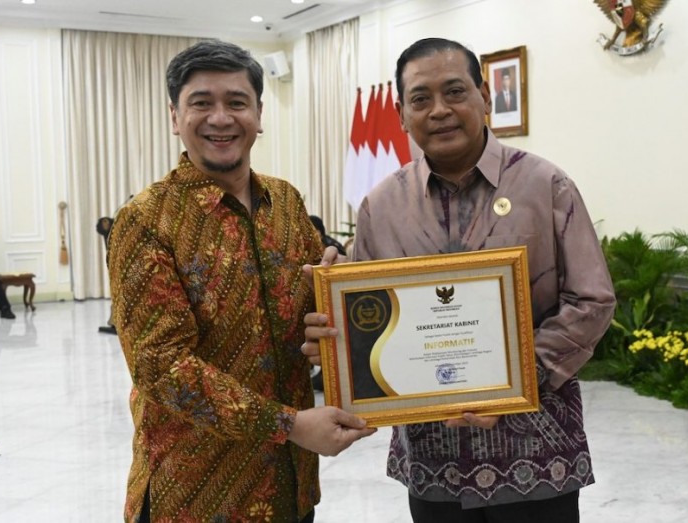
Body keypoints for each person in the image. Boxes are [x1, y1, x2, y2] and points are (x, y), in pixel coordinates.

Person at [303, 38, 615, 522]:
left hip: (537, 454)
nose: (440, 110)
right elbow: (366, 321)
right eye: (421, 99)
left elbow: (591, 299)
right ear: (401, 112)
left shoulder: (545, 185)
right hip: (433, 462)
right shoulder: (380, 207)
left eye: (454, 92)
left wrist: (516, 380)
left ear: (484, 97)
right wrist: (333, 312)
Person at [107, 39, 375, 523]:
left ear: (258, 113)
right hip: (195, 493)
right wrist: (290, 424)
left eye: (236, 102)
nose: (221, 118)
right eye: (201, 103)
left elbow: (308, 316)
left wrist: (335, 295)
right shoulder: (147, 220)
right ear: (175, 117)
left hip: (290, 486)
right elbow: (162, 367)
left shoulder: (287, 202)